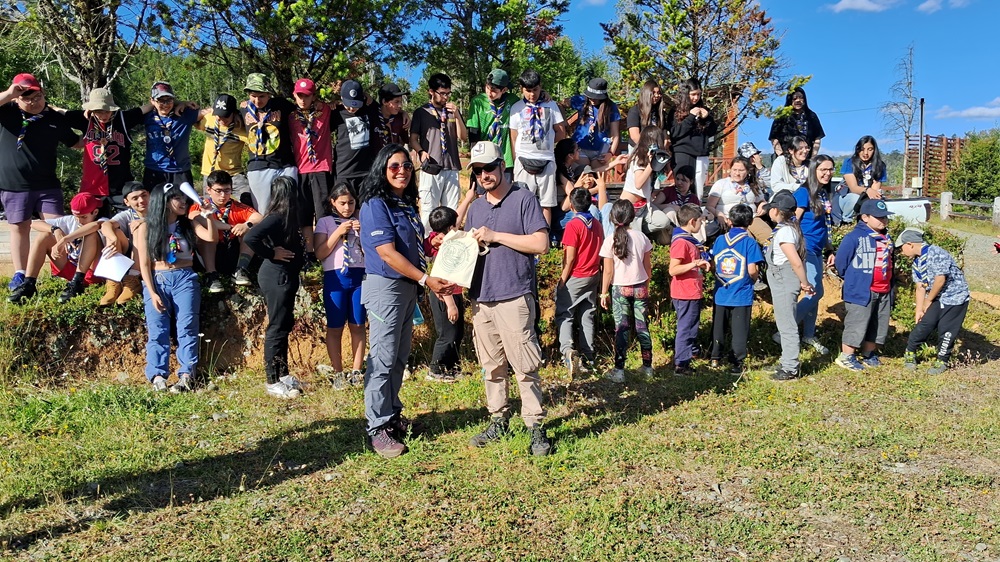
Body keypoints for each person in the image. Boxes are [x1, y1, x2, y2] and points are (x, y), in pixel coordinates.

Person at [359, 143, 452, 458]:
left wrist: (431, 243)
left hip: (406, 288)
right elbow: (387, 252)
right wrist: (425, 279)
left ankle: (392, 414)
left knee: (399, 357)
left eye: (407, 166)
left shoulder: (405, 205)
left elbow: (410, 246)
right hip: (386, 288)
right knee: (382, 360)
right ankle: (377, 428)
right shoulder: (375, 205)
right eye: (394, 166)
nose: (402, 171)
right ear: (382, 170)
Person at [464, 140, 552, 456]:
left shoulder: (524, 199)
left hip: (514, 295)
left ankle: (535, 428)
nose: (484, 174)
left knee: (524, 366)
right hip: (482, 297)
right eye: (478, 170)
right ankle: (499, 420)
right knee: (491, 367)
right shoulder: (475, 208)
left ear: (502, 165)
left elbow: (541, 243)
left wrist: (495, 236)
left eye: (489, 167)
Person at [1, 73, 83, 291]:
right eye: (25, 97)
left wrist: (99, 135)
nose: (32, 102)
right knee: (19, 227)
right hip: (14, 184)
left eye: (36, 96)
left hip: (47, 185)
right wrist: (9, 93)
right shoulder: (7, 112)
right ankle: (20, 274)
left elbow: (75, 142)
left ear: (43, 93)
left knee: (57, 228)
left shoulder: (55, 118)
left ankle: (67, 276)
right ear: (17, 98)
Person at [134, 182, 217, 392]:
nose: (183, 202)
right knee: (157, 329)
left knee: (188, 326)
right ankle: (157, 375)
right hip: (157, 278)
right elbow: (144, 263)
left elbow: (211, 237)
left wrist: (208, 216)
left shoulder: (188, 223)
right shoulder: (146, 227)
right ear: (165, 201)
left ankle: (187, 374)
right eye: (177, 198)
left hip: (185, 278)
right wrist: (151, 292)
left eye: (183, 198)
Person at [243, 176, 307, 399]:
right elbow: (251, 237)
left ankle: (283, 374)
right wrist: (272, 253)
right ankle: (272, 380)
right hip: (276, 276)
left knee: (285, 323)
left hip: (286, 276)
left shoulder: (287, 218)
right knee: (277, 327)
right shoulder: (277, 217)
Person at [61, 88, 150, 212]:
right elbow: (58, 112)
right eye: (98, 111)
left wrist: (178, 103)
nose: (103, 115)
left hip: (121, 185)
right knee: (92, 224)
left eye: (107, 111)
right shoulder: (85, 120)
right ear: (91, 109)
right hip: (93, 186)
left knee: (128, 223)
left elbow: (151, 105)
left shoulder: (123, 119)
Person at [7, 192, 105, 304]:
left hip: (93, 272)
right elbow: (34, 223)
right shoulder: (70, 220)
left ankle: (77, 282)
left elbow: (95, 226)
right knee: (44, 235)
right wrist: (55, 229)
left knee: (91, 233)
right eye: (76, 216)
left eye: (84, 217)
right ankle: (29, 283)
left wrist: (65, 239)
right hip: (71, 267)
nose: (79, 221)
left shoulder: (103, 220)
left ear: (95, 212)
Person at [897, 228, 971, 375]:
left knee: (947, 330)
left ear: (910, 244)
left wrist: (928, 300)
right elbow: (920, 286)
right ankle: (910, 353)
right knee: (924, 325)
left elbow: (940, 279)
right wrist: (919, 309)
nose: (901, 251)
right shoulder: (917, 263)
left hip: (956, 298)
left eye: (901, 248)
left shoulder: (937, 253)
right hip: (937, 298)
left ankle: (942, 360)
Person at [833, 199, 894, 372]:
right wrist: (854, 279)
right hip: (860, 290)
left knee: (877, 323)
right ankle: (846, 356)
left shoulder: (886, 238)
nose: (883, 221)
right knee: (857, 323)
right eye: (879, 217)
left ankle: (868, 353)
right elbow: (841, 262)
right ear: (865, 217)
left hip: (882, 289)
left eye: (885, 217)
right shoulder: (855, 237)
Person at [314, 182, 366, 379]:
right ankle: (337, 371)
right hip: (335, 278)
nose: (347, 208)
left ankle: (356, 370)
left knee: (358, 324)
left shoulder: (361, 220)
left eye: (351, 203)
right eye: (342, 203)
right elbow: (321, 253)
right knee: (335, 326)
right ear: (333, 202)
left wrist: (361, 233)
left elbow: (370, 251)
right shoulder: (325, 222)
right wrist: (338, 232)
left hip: (359, 277)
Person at [599, 199, 653, 382]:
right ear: (633, 216)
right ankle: (647, 367)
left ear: (612, 217)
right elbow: (648, 268)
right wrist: (646, 286)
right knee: (642, 327)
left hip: (620, 288)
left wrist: (604, 292)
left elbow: (608, 271)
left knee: (621, 329)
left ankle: (619, 370)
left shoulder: (609, 241)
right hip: (640, 287)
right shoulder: (642, 238)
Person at [765, 190, 815, 381]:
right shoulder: (787, 228)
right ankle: (787, 360)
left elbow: (795, 261)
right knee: (785, 322)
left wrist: (804, 282)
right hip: (781, 279)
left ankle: (790, 367)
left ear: (776, 210)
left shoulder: (785, 231)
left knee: (787, 325)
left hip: (784, 279)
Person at [710, 204, 764, 375]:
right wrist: (755, 280)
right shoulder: (750, 242)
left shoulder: (719, 240)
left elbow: (713, 263)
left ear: (729, 220)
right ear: (750, 222)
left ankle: (715, 358)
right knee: (739, 330)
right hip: (742, 293)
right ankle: (736, 363)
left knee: (719, 327)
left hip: (721, 292)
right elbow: (752, 269)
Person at [509, 69, 567, 229]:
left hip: (546, 160)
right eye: (528, 90)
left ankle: (544, 239)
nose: (532, 94)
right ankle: (523, 237)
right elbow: (513, 137)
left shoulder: (551, 105)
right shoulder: (516, 108)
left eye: (535, 89)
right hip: (523, 161)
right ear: (521, 88)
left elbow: (561, 133)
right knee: (522, 201)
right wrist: (516, 162)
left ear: (540, 87)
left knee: (546, 203)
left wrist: (545, 143)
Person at [555, 187, 604, 376]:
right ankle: (589, 356)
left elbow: (570, 258)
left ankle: (567, 352)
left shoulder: (573, 226)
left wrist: (562, 281)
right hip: (593, 274)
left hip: (576, 275)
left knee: (565, 314)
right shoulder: (597, 224)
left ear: (572, 204)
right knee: (587, 315)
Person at [189, 170, 263, 292]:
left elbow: (258, 218)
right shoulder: (201, 205)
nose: (223, 195)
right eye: (218, 191)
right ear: (209, 190)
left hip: (233, 251)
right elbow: (195, 217)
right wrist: (229, 226)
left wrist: (246, 225)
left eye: (227, 190)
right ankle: (211, 275)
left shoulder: (238, 207)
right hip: (211, 252)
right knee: (207, 233)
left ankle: (241, 270)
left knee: (250, 230)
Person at [410, 73, 467, 231]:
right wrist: (421, 151)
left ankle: (449, 246)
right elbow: (413, 139)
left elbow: (463, 136)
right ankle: (427, 249)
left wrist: (457, 115)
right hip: (431, 168)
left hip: (452, 167)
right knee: (429, 211)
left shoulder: (452, 111)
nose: (446, 97)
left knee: (451, 213)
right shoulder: (421, 112)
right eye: (442, 93)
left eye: (448, 93)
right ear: (431, 91)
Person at [792, 156, 836, 355]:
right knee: (815, 292)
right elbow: (794, 220)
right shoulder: (803, 192)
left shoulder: (824, 193)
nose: (827, 173)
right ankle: (786, 329)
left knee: (815, 294)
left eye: (830, 169)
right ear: (813, 170)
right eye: (823, 169)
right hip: (805, 249)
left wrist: (829, 249)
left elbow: (824, 225)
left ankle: (809, 334)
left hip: (818, 250)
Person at [289, 78, 334, 254]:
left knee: (322, 213)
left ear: (313, 96)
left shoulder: (325, 111)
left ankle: (324, 250)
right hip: (300, 170)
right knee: (304, 215)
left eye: (306, 96)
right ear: (294, 95)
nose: (303, 100)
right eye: (299, 96)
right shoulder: (290, 115)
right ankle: (309, 253)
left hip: (321, 168)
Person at [242, 73, 298, 212]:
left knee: (289, 209)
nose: (257, 100)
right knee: (263, 212)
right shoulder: (243, 109)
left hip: (284, 165)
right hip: (258, 166)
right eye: (253, 96)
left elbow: (304, 109)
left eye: (262, 96)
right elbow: (219, 114)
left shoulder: (281, 105)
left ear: (268, 94)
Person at [424, 206, 466, 383]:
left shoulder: (439, 237)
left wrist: (470, 196)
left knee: (457, 332)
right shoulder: (444, 245)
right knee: (447, 335)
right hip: (443, 295)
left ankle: (452, 368)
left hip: (454, 292)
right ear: (450, 227)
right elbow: (442, 275)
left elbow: (458, 215)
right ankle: (435, 369)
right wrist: (451, 304)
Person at [668, 204, 710, 376]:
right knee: (686, 328)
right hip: (685, 292)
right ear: (692, 221)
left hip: (692, 290)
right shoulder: (681, 242)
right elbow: (673, 270)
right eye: (701, 221)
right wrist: (695, 263)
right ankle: (681, 364)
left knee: (691, 326)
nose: (702, 225)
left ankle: (686, 358)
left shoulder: (688, 240)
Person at [615, 125, 671, 237]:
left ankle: (643, 231)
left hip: (645, 205)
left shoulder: (652, 156)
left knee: (663, 222)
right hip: (630, 207)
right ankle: (637, 231)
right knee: (633, 238)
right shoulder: (638, 158)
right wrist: (651, 165)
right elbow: (638, 184)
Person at [98, 181, 148, 305]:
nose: (141, 200)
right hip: (132, 254)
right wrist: (114, 239)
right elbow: (106, 225)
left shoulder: (159, 211)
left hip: (153, 252)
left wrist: (143, 221)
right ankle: (113, 281)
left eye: (144, 195)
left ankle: (133, 280)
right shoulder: (128, 214)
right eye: (135, 198)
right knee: (112, 232)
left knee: (138, 228)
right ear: (127, 202)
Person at [142, 82, 199, 189]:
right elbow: (128, 114)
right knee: (155, 205)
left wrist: (183, 103)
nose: (165, 104)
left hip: (180, 171)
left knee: (184, 205)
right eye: (161, 100)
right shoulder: (146, 117)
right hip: (154, 170)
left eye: (169, 100)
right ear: (152, 100)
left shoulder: (184, 114)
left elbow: (209, 112)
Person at [195, 94, 250, 205]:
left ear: (234, 113)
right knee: (210, 207)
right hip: (210, 172)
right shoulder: (209, 118)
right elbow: (190, 119)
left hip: (233, 173)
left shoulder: (241, 127)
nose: (221, 119)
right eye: (218, 115)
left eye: (225, 116)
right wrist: (204, 111)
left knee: (248, 200)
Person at [466, 69, 519, 178]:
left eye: (494, 90)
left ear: (504, 89)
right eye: (487, 88)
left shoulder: (513, 100)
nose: (489, 92)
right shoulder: (478, 102)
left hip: (506, 159)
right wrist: (475, 160)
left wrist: (543, 94)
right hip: (484, 158)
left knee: (505, 193)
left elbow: (529, 100)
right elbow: (473, 133)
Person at [669, 78, 716, 196]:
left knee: (698, 191)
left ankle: (695, 212)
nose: (696, 98)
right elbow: (675, 133)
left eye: (699, 94)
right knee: (682, 188)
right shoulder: (675, 111)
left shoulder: (705, 111)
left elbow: (712, 132)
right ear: (686, 94)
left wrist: (707, 118)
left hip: (701, 155)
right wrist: (690, 117)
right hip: (682, 154)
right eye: (693, 94)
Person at [706, 156, 770, 242]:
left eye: (741, 170)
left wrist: (762, 205)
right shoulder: (721, 184)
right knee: (745, 240)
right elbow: (710, 206)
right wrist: (719, 215)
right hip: (730, 219)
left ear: (747, 171)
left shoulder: (753, 185)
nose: (737, 173)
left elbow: (761, 201)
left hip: (752, 218)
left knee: (768, 237)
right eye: (734, 170)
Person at [833, 135, 887, 224]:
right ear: (858, 149)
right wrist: (868, 190)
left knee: (878, 203)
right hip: (847, 197)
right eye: (862, 149)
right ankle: (847, 222)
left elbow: (875, 191)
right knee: (855, 198)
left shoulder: (880, 166)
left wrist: (873, 194)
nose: (865, 153)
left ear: (874, 150)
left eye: (870, 149)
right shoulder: (849, 162)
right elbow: (853, 188)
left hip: (865, 197)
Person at [568, 78, 621, 167]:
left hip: (600, 150)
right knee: (584, 174)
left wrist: (611, 153)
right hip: (579, 148)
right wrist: (565, 124)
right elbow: (560, 104)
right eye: (590, 96)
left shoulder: (611, 107)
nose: (592, 99)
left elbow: (615, 134)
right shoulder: (581, 100)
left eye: (596, 97)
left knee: (596, 176)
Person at [768, 87, 824, 158]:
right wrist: (781, 156)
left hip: (806, 158)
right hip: (786, 158)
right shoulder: (782, 116)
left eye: (801, 98)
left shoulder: (811, 116)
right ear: (790, 100)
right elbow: (774, 138)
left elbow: (817, 138)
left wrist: (813, 158)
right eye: (794, 98)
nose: (798, 100)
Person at [627, 79, 668, 148]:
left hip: (657, 148)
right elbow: (634, 136)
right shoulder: (635, 111)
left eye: (659, 93)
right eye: (653, 93)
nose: (657, 95)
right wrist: (647, 149)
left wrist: (664, 143)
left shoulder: (660, 112)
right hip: (638, 147)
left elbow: (664, 132)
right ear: (647, 93)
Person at [371, 83, 410, 153]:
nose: (400, 105)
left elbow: (404, 140)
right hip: (372, 161)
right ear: (384, 102)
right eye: (396, 102)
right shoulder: (372, 116)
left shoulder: (401, 119)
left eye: (401, 102)